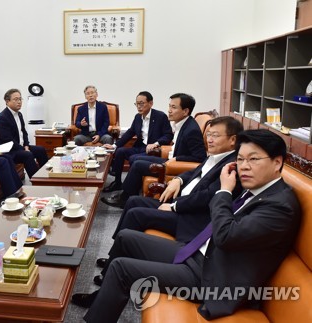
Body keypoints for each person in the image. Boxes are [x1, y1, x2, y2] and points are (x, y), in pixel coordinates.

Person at [72, 129, 301, 322]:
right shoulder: (261, 191)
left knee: (121, 268)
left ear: (277, 162)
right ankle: (103, 295)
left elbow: (226, 235)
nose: (244, 166)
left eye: (253, 159)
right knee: (126, 237)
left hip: (211, 279)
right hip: (200, 254)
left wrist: (224, 190)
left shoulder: (280, 206)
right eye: (240, 159)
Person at [94, 116, 244, 285]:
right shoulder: (217, 156)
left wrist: (175, 207)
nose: (209, 139)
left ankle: (110, 272)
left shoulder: (232, 167)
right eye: (208, 134)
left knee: (136, 214)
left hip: (190, 217)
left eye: (215, 135)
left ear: (233, 140)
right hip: (181, 203)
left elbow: (207, 197)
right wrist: (178, 180)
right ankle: (114, 254)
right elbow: (197, 172)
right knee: (134, 201)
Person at [102, 92, 206, 193]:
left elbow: (201, 158)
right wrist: (114, 145)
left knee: (137, 163)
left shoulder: (190, 129)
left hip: (171, 162)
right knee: (127, 154)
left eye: (173, 107)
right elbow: (130, 132)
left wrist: (176, 157)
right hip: (156, 152)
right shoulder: (181, 124)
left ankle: (125, 196)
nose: (169, 110)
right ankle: (120, 185)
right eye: (169, 106)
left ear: (185, 111)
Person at [101, 91, 173, 192]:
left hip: (152, 150)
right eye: (137, 104)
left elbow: (168, 135)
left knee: (133, 158)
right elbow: (130, 132)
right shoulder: (138, 117)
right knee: (120, 151)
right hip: (139, 147)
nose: (139, 106)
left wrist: (156, 143)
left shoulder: (160, 116)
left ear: (151, 103)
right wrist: (114, 145)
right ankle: (117, 183)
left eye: (141, 103)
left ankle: (131, 188)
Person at [0, 89, 48, 178]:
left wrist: (26, 145)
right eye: (16, 99)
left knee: (40, 149)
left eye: (20, 99)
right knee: (27, 154)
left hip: (20, 147)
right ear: (7, 101)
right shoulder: (2, 118)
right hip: (10, 151)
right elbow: (7, 140)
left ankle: (46, 176)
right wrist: (23, 149)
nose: (19, 102)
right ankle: (36, 181)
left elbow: (24, 132)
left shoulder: (19, 114)